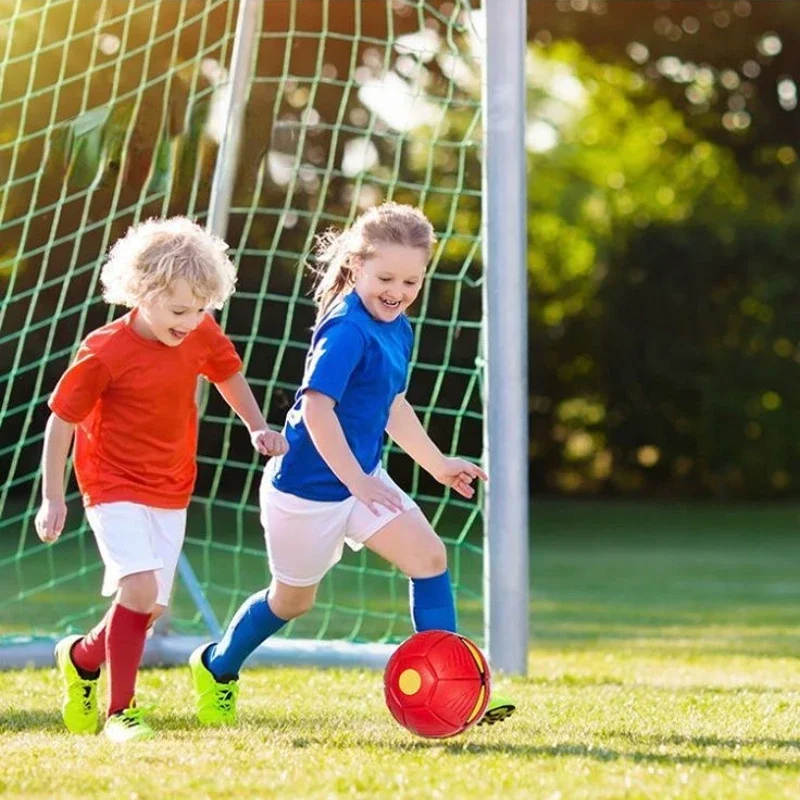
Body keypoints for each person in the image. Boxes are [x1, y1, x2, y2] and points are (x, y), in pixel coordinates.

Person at [188, 202, 515, 728]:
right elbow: (317, 410)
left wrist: (435, 464)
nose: (397, 290)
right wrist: (357, 481)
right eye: (385, 276)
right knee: (292, 601)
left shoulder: (398, 325)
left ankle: (454, 695)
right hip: (306, 492)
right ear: (357, 266)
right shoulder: (345, 327)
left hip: (361, 481)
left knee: (430, 558)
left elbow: (392, 403)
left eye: (411, 280)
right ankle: (217, 666)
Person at [35, 217, 288, 743]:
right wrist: (52, 498)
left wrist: (257, 425)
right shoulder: (105, 351)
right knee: (139, 587)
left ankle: (81, 658)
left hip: (172, 485)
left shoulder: (200, 331)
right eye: (179, 310)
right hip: (110, 483)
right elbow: (61, 421)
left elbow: (226, 373)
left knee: (147, 607)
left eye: (201, 309)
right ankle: (119, 714)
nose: (192, 321)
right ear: (142, 293)